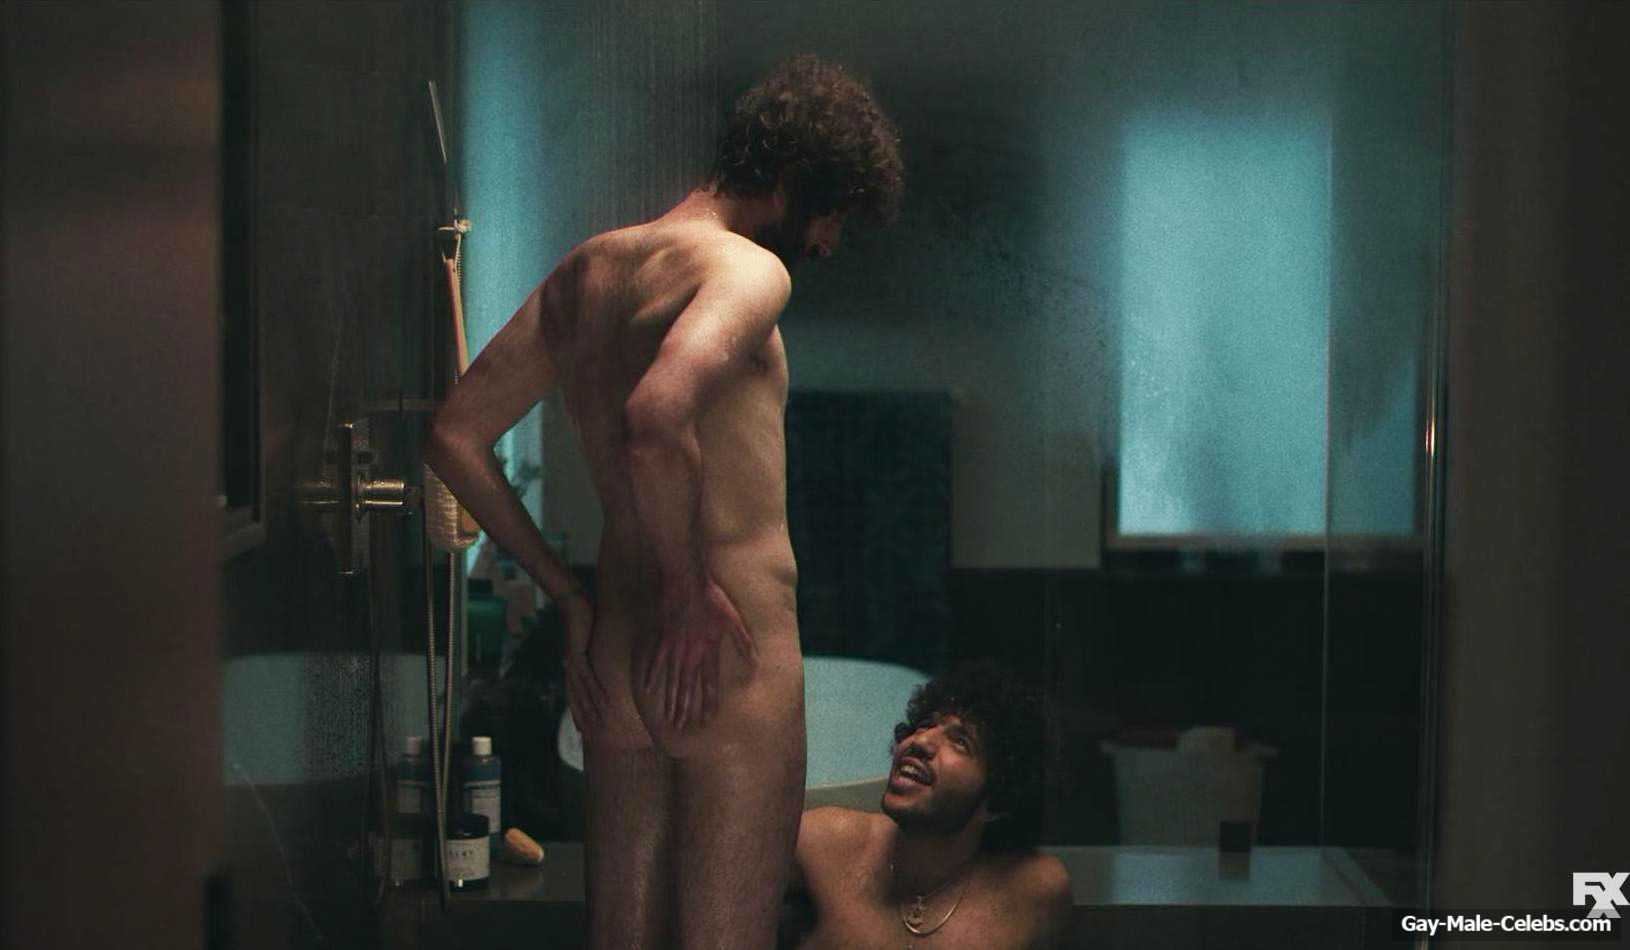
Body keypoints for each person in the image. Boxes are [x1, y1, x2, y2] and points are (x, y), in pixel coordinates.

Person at [424, 54, 904, 949]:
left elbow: (453, 436)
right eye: (832, 214)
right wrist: (687, 594)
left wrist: (569, 599)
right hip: (724, 647)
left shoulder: (586, 273)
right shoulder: (747, 272)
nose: (829, 242)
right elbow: (657, 414)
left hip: (617, 646)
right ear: (792, 180)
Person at [785, 662, 1072, 949]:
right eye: (924, 725)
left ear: (997, 801)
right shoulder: (822, 843)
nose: (920, 741)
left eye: (960, 742)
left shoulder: (1036, 892)